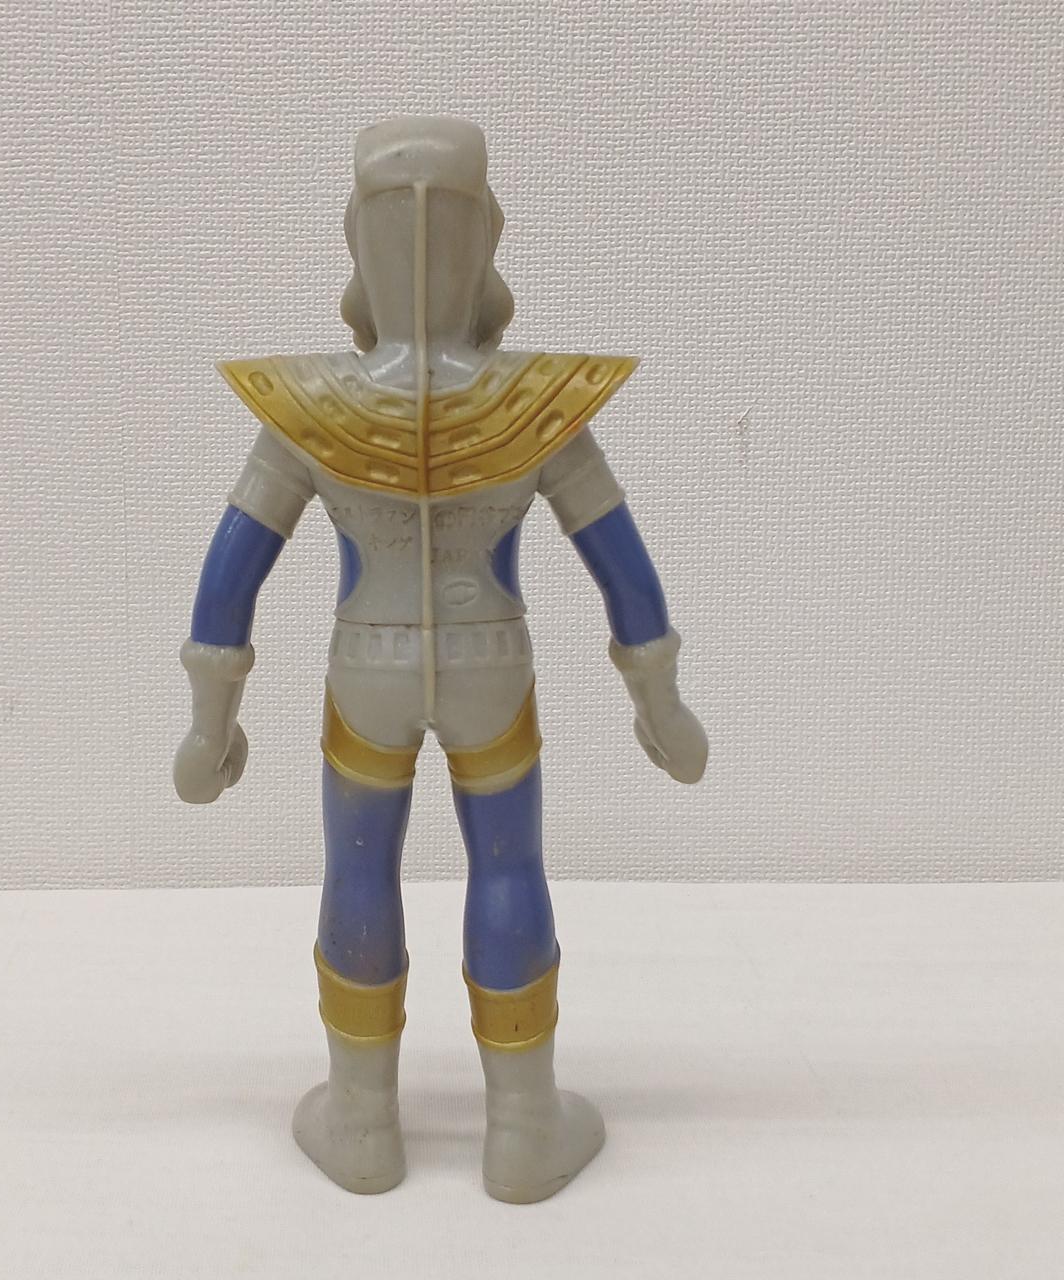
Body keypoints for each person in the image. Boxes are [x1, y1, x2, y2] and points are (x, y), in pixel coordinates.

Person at [174, 116, 707, 1202]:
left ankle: (361, 1122)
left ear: (355, 242)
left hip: (362, 672)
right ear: (486, 239)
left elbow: (229, 576)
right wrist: (659, 699)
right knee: (508, 867)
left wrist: (208, 726)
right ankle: (523, 1127)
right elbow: (622, 563)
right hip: (490, 670)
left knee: (357, 867)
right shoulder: (535, 408)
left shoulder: (311, 410)